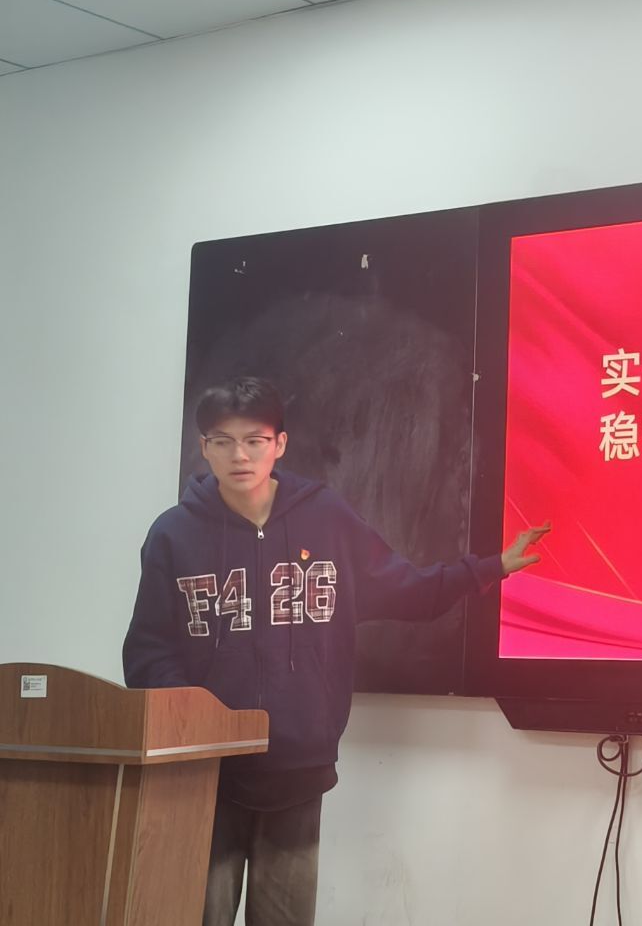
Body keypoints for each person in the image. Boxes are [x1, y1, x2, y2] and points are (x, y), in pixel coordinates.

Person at [122, 377, 548, 926]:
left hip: (298, 767)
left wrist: (488, 568)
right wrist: (195, 719)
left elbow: (407, 590)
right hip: (204, 773)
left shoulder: (324, 519)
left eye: (254, 440)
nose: (239, 455)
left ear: (279, 443)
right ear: (203, 448)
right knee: (196, 915)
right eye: (223, 441)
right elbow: (148, 650)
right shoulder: (173, 535)